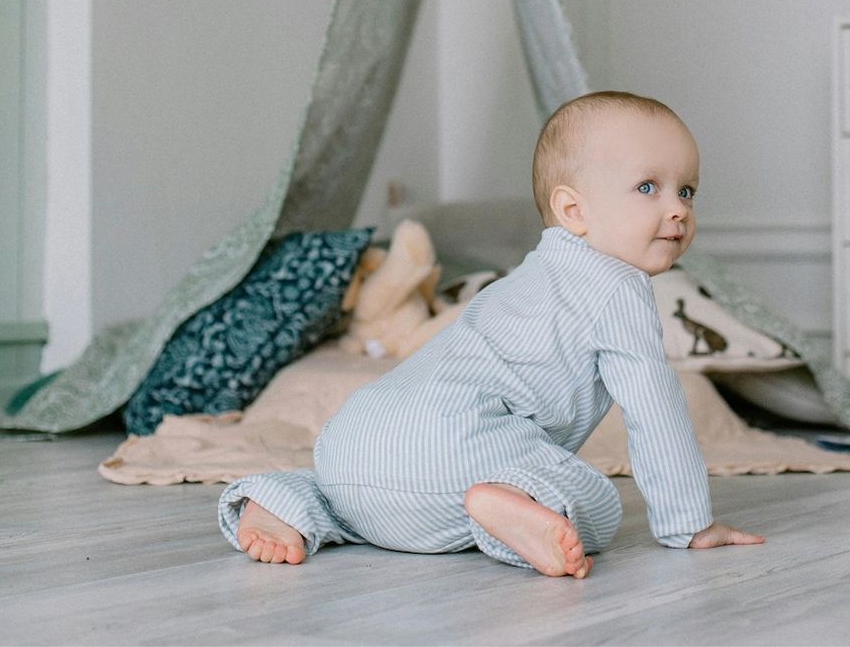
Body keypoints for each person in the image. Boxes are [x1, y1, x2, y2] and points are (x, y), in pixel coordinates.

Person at [217, 91, 764, 578]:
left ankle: (283, 501)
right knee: (597, 499)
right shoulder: (617, 287)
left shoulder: (520, 282)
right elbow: (655, 411)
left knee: (353, 493)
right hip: (456, 456)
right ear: (572, 209)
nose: (677, 209)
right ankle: (507, 501)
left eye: (687, 191)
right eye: (648, 187)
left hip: (350, 443)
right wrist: (689, 522)